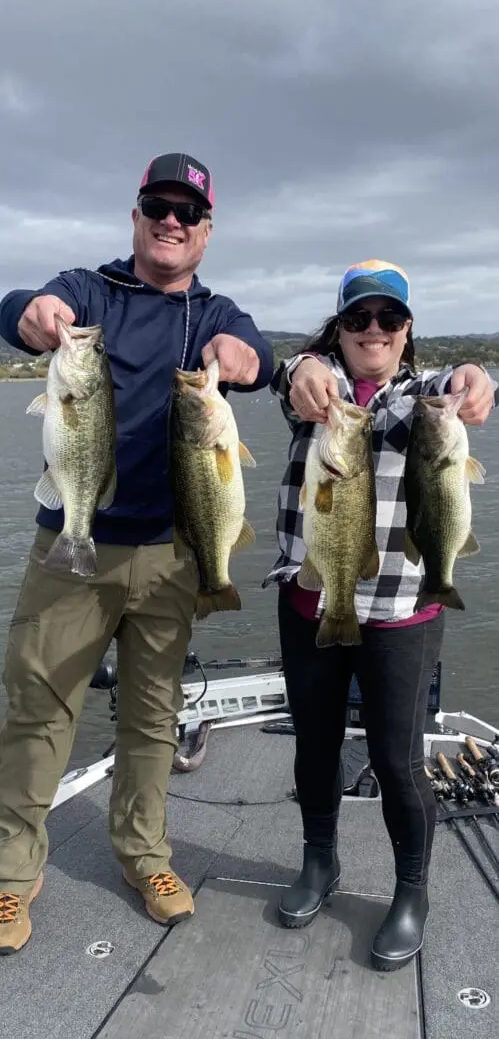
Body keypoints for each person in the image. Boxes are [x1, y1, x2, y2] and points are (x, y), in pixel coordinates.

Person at [0, 152, 274, 953]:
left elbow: (253, 357)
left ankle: (144, 854)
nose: (171, 220)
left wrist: (237, 362)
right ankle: (12, 875)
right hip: (72, 544)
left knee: (152, 720)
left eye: (188, 211)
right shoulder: (91, 291)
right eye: (158, 204)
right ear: (136, 213)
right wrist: (36, 311)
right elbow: (17, 307)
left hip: (173, 555)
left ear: (206, 230)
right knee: (37, 708)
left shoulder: (215, 311)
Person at [264, 259, 497, 971]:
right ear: (339, 329)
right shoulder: (314, 393)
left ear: (405, 333)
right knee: (314, 746)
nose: (373, 329)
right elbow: (290, 379)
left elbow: (452, 386)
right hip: (312, 601)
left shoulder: (418, 402)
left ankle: (409, 891)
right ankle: (317, 862)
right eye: (358, 318)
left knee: (398, 761)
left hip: (402, 610)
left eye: (387, 319)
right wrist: (302, 365)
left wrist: (471, 376)